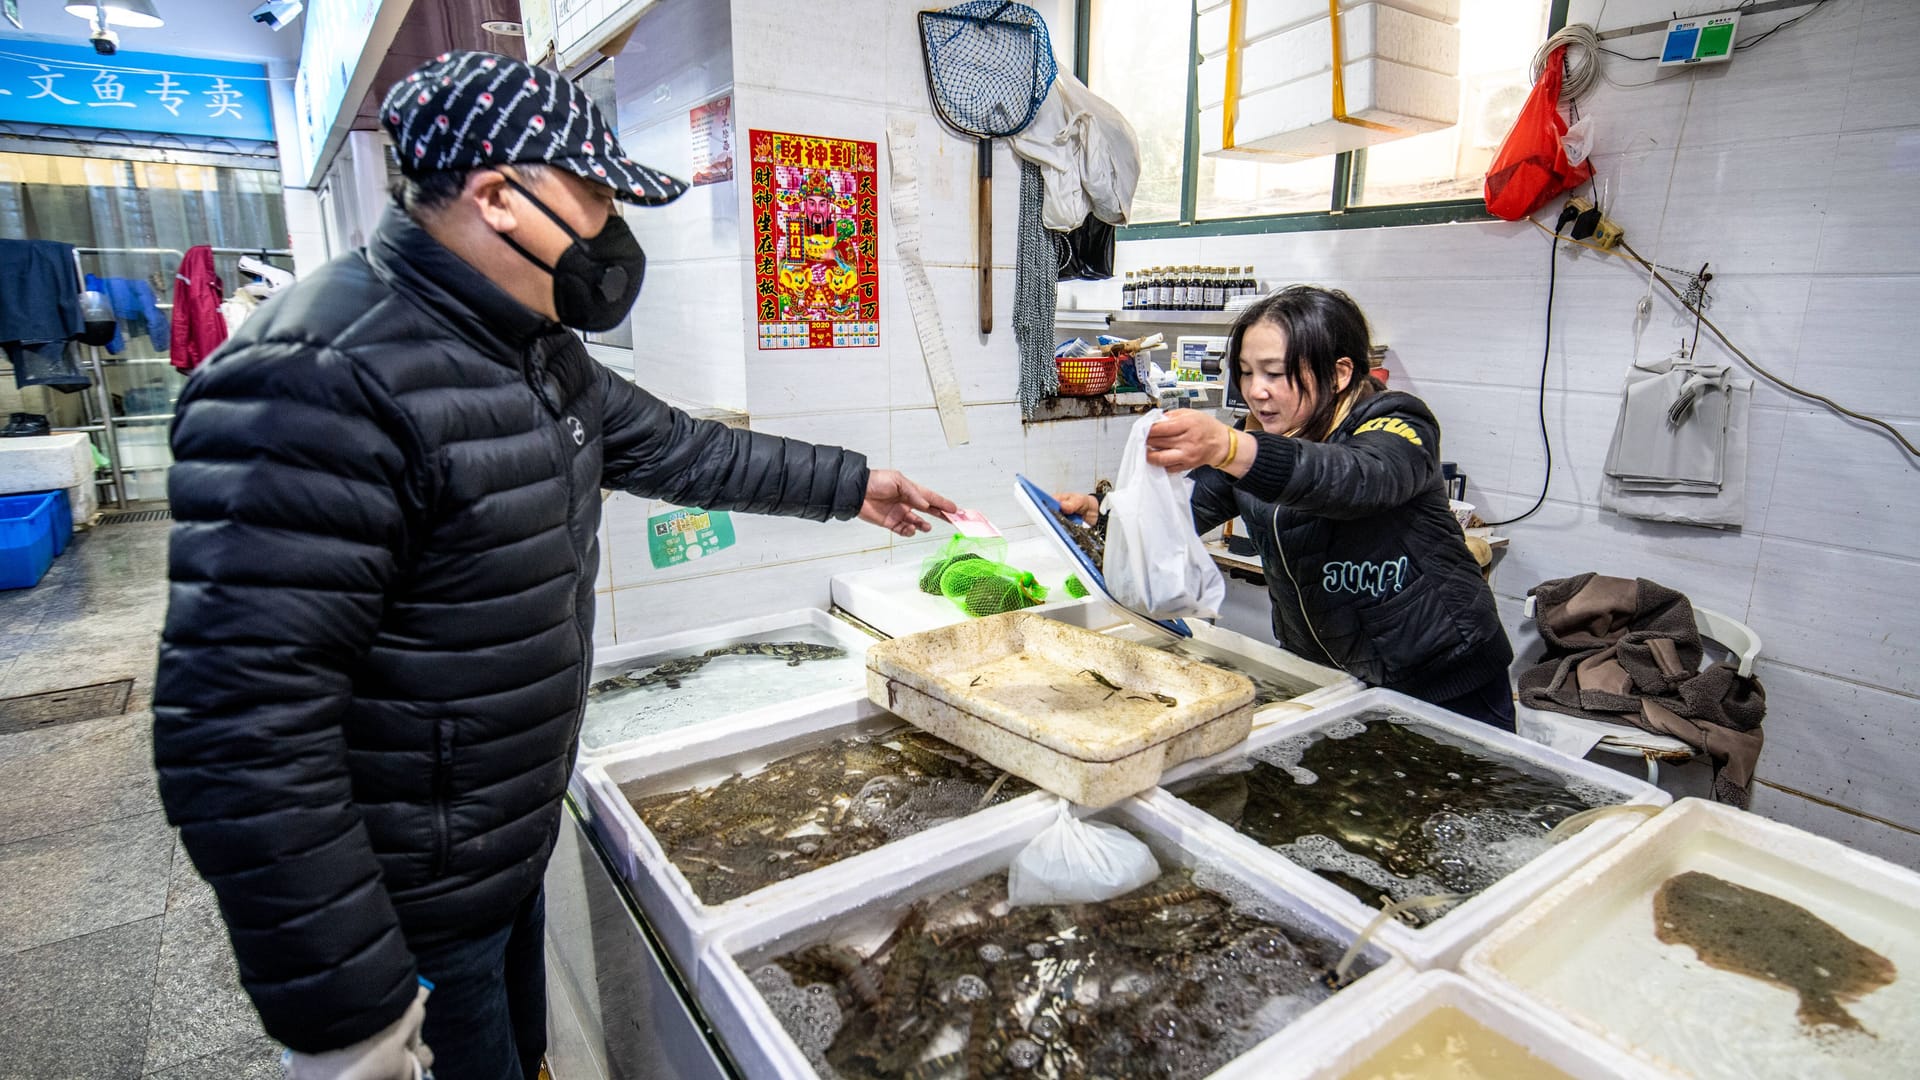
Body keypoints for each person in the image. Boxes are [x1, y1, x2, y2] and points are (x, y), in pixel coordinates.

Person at [151, 52, 955, 1080]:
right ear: (497, 198)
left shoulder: (530, 345)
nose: (613, 231)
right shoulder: (311, 381)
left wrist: (855, 484)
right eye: (596, 197)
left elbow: (683, 448)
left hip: (496, 853)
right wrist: (352, 1016)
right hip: (404, 904)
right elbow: (238, 735)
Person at [1060, 285, 1514, 729]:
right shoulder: (1257, 432)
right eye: (1246, 371)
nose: (1256, 391)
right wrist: (1105, 513)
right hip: (1332, 678)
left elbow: (1356, 479)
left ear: (1338, 373)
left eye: (1274, 373)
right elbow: (1187, 505)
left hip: (1445, 680)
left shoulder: (1396, 422)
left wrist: (1231, 446)